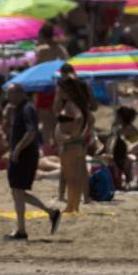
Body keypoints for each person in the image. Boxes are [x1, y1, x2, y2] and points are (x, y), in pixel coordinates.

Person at [5, 84, 60, 240]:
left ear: (20, 93)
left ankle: (22, 230)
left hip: (24, 156)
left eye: (10, 94)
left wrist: (17, 149)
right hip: (21, 155)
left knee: (18, 191)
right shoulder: (19, 108)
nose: (8, 98)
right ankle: (49, 214)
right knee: (18, 192)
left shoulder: (28, 108)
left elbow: (31, 132)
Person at [55, 77, 91, 213]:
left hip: (70, 145)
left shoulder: (71, 104)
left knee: (71, 178)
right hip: (75, 145)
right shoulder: (73, 103)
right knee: (74, 178)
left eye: (59, 89)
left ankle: (71, 206)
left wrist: (72, 136)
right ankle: (74, 206)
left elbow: (79, 118)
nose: (57, 91)